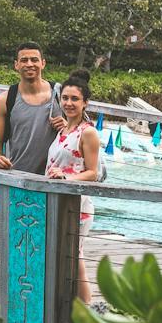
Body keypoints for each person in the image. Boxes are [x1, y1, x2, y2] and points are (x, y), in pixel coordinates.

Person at [45, 70, 103, 308]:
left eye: (74, 99)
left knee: (75, 254)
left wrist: (66, 179)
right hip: (57, 200)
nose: (68, 103)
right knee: (63, 255)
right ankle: (69, 308)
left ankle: (87, 312)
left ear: (85, 102)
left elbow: (93, 172)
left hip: (77, 203)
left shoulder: (88, 132)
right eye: (65, 98)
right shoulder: (62, 131)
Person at [0, 42, 59, 173]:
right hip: (18, 178)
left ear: (43, 63)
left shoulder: (61, 95)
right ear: (16, 65)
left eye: (34, 60)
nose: (29, 64)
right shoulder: (5, 100)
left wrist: (67, 127)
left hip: (56, 180)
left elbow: (84, 133)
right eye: (24, 60)